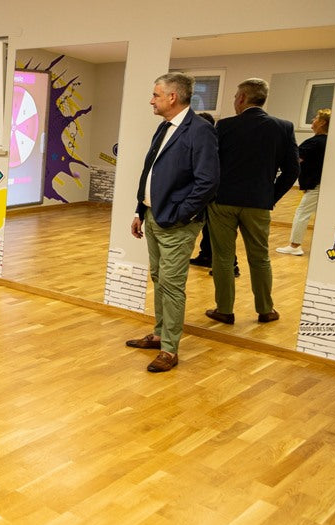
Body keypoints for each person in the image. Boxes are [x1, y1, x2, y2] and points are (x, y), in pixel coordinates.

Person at [125, 73, 219, 373]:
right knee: (158, 278)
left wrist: (182, 214)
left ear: (172, 97)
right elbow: (150, 171)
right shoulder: (163, 127)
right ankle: (159, 333)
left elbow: (208, 182)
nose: (152, 100)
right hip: (153, 216)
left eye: (155, 94)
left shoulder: (200, 131)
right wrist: (141, 210)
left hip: (176, 223)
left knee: (172, 285)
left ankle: (169, 349)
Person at [205, 78, 299, 325]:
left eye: (236, 97)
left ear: (243, 98)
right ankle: (266, 309)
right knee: (260, 257)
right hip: (259, 202)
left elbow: (210, 166)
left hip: (222, 201)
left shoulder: (223, 126)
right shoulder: (283, 127)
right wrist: (271, 196)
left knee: (223, 257)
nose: (235, 101)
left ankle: (224, 309)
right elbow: (292, 171)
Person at [191, 113, 241, 278]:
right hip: (207, 193)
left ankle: (232, 265)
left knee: (217, 232)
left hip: (216, 194)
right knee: (208, 229)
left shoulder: (213, 143)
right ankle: (206, 256)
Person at [277, 108, 330, 256]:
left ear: (322, 123)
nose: (313, 121)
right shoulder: (330, 141)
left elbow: (295, 161)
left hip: (316, 185)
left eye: (315, 118)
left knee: (302, 213)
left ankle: (295, 246)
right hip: (324, 185)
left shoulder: (314, 143)